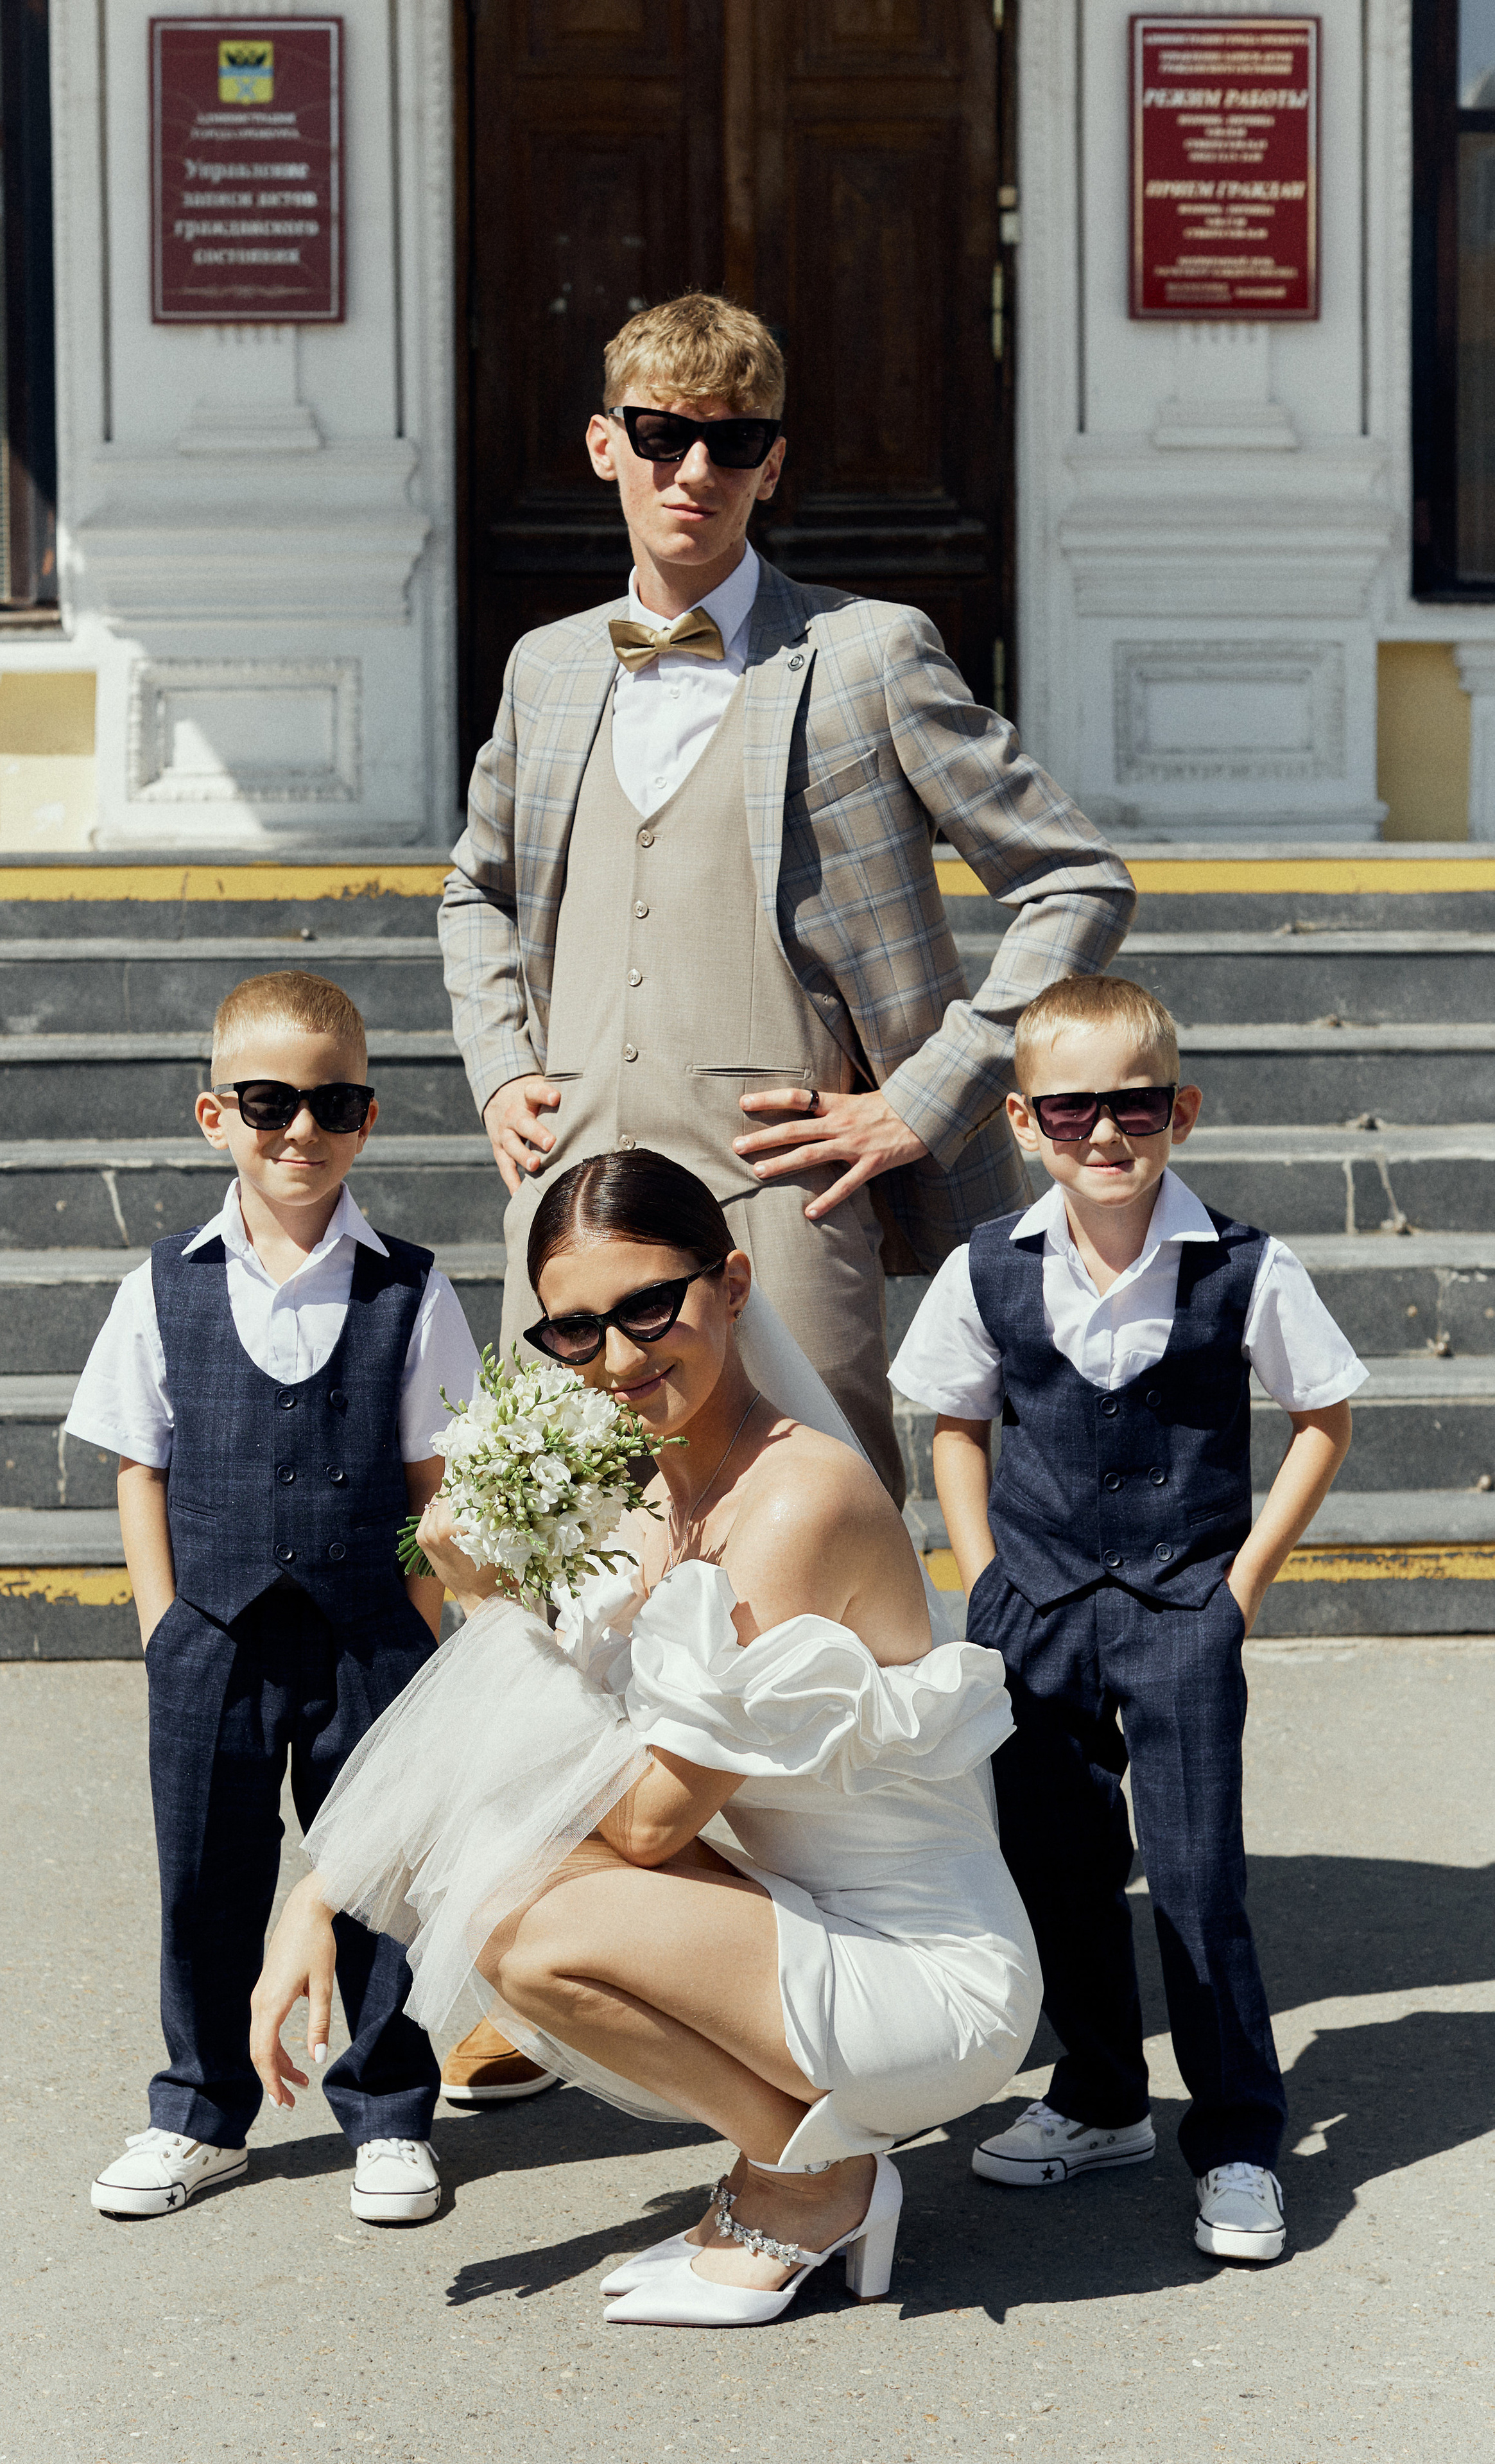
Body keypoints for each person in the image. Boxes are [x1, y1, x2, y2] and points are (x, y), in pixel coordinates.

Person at [250, 1149, 1042, 2327]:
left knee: (517, 1917)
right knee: (505, 1892)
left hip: (926, 1977)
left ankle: (817, 2180)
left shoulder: (796, 1502)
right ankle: (793, 2168)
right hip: (794, 1917)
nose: (618, 1360)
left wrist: (506, 1595)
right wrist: (325, 1890)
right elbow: (532, 1737)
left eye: (649, 1308)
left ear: (730, 1283)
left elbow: (648, 1820)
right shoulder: (644, 1488)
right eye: (576, 1332)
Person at [440, 288, 1134, 1510]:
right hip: (574, 1193)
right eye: (661, 434)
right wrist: (500, 1067)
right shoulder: (546, 669)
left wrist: (919, 1102)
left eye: (734, 441)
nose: (694, 470)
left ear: (775, 464)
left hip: (785, 1200)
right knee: (570, 1558)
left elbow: (1075, 878)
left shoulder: (872, 653)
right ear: (607, 445)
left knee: (822, 1537)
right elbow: (476, 890)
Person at [890, 973, 1366, 2264]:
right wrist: (982, 1573)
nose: (1103, 1135)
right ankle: (1099, 2095)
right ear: (1019, 1121)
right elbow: (952, 1421)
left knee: (1199, 1883)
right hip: (1030, 1612)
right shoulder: (987, 1264)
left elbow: (1321, 1415)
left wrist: (1241, 1585)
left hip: (1179, 1608)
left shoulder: (1242, 1264)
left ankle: (1235, 2142)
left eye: (1135, 1107)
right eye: (1069, 1111)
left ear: (1181, 1110)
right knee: (1058, 1867)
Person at [67, 971, 485, 2228]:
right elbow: (138, 1465)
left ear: (368, 1118)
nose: (299, 1130)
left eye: (333, 1103)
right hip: (211, 1638)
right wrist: (160, 1628)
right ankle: (196, 2112)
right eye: (267, 1103)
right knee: (207, 1878)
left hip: (370, 1637)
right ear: (214, 1117)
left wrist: (416, 1625)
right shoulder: (164, 1285)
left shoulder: (409, 1288)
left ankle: (390, 2111)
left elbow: (439, 1479)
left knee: (379, 1880)